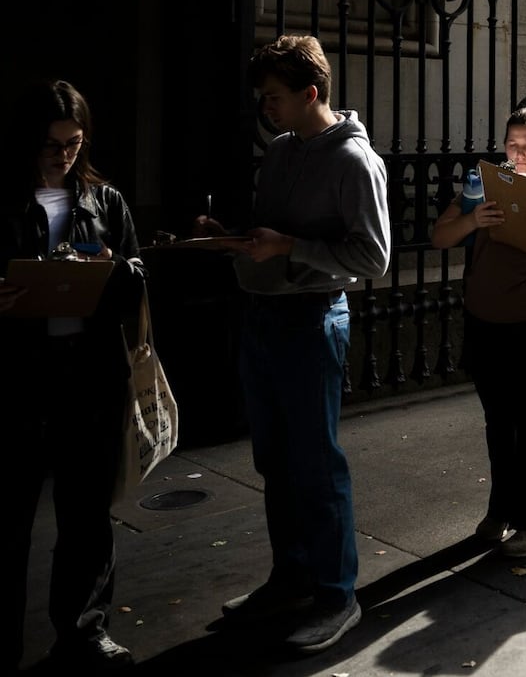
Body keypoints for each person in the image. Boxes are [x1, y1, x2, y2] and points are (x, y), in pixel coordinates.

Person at [196, 35, 391, 655]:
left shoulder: (354, 162)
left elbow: (374, 257)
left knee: (316, 462)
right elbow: (271, 236)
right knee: (274, 462)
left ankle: (338, 595)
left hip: (312, 320)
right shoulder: (280, 153)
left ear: (312, 93)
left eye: (275, 98)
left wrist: (288, 249)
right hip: (263, 316)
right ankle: (291, 577)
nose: (267, 109)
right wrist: (226, 240)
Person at [0, 80, 147, 674]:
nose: (61, 155)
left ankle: (85, 633)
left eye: (73, 143)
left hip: (86, 379)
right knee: (4, 529)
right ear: (26, 140)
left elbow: (138, 273)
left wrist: (116, 271)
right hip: (15, 382)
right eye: (50, 144)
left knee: (88, 518)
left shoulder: (104, 201)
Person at [431, 107, 526, 557]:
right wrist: (473, 219)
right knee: (498, 421)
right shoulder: (484, 183)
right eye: (512, 145)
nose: (518, 153)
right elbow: (440, 236)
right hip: (485, 318)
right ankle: (503, 509)